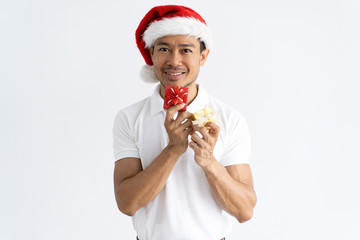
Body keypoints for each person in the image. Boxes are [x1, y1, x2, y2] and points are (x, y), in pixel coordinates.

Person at [113, 5, 257, 240]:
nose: (174, 61)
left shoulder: (229, 119)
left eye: (185, 50)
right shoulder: (129, 118)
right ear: (152, 54)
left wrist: (209, 162)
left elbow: (244, 211)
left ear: (203, 56)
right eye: (164, 49)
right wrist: (173, 150)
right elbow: (127, 204)